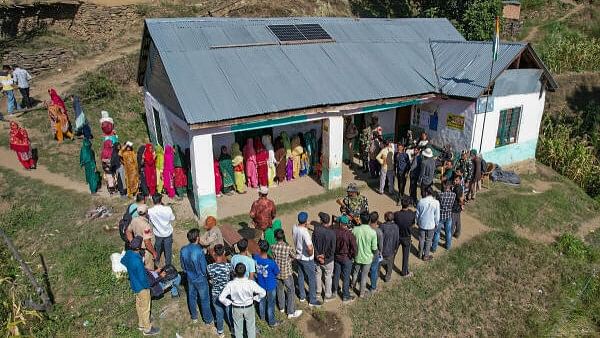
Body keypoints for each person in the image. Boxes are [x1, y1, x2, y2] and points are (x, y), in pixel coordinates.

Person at [121, 236, 160, 336]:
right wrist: (152, 282)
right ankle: (147, 329)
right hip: (142, 287)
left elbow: (123, 261)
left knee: (139, 305)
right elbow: (143, 279)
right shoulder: (138, 262)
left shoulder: (129, 253)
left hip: (134, 285)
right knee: (146, 307)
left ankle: (141, 324)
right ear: (138, 248)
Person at [219, 263, 266, 338]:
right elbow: (263, 293)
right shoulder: (251, 283)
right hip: (249, 307)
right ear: (245, 271)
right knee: (251, 328)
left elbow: (221, 298)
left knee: (238, 329)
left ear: (235, 272)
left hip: (236, 308)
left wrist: (228, 302)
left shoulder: (230, 284)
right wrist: (256, 298)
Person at [180, 229, 214, 325]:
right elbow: (204, 267)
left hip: (190, 277)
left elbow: (182, 266)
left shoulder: (183, 249)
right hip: (200, 278)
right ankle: (207, 320)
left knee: (191, 296)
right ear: (197, 238)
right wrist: (205, 275)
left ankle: (194, 316)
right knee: (204, 299)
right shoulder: (199, 251)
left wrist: (188, 272)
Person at [271, 229, 302, 318]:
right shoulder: (288, 247)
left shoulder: (272, 246)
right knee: (291, 290)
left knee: (280, 290)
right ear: (283, 236)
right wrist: (289, 260)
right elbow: (294, 256)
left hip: (277, 273)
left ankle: (281, 308)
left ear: (275, 237)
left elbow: (274, 258)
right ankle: (291, 312)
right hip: (286, 273)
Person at [293, 212, 321, 307]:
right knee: (311, 278)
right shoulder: (305, 232)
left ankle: (302, 296)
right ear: (306, 220)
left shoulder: (294, 227)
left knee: (301, 275)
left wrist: (306, 225)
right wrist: (311, 253)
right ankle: (312, 300)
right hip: (306, 258)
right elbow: (309, 247)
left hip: (298, 256)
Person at [253, 240, 281, 327]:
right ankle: (271, 322)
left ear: (259, 249)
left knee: (262, 301)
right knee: (271, 304)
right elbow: (277, 272)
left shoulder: (255, 258)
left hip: (260, 284)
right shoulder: (271, 263)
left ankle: (262, 317)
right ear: (268, 249)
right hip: (271, 285)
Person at [207, 244, 233, 337]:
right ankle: (232, 329)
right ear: (224, 253)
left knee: (218, 312)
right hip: (226, 293)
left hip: (215, 293)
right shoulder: (228, 266)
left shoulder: (209, 267)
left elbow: (210, 278)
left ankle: (220, 331)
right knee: (229, 311)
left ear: (214, 253)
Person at [351, 213, 378, 297]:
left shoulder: (355, 230)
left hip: (357, 256)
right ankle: (362, 294)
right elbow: (374, 248)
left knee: (355, 272)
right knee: (364, 276)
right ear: (369, 220)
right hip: (367, 258)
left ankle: (352, 287)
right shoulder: (373, 232)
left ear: (360, 220)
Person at [333, 215, 357, 303]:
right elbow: (354, 248)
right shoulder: (350, 235)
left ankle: (334, 291)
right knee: (346, 277)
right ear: (347, 224)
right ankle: (345, 296)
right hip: (346, 257)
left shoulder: (335, 232)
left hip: (337, 256)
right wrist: (352, 256)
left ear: (340, 223)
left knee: (336, 274)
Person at [313, 212, 336, 302]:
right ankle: (327, 295)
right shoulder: (332, 233)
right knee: (328, 276)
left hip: (317, 259)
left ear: (321, 221)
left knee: (317, 275)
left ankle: (318, 292)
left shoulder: (316, 230)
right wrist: (325, 257)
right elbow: (332, 249)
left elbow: (313, 244)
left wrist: (318, 256)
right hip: (328, 260)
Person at [127, 204, 158, 270]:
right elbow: (147, 242)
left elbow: (128, 231)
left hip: (137, 249)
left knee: (141, 267)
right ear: (146, 212)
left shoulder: (134, 220)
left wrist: (132, 242)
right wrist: (154, 252)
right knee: (149, 269)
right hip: (146, 251)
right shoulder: (146, 225)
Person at [148, 194, 175, 266]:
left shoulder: (150, 211)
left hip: (158, 233)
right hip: (167, 232)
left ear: (153, 201)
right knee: (168, 249)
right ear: (161, 200)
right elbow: (172, 218)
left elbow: (150, 221)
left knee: (157, 246)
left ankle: (157, 260)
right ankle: (168, 265)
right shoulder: (168, 209)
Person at [416, 187, 440, 261]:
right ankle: (426, 255)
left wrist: (417, 221)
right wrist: (436, 223)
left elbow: (417, 214)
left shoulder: (421, 201)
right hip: (431, 224)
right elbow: (437, 215)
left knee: (421, 239)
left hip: (422, 224)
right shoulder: (436, 202)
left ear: (426, 193)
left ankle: (420, 254)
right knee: (429, 240)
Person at [394, 197, 415, 277]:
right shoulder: (412, 214)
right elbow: (413, 224)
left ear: (401, 204)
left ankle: (388, 264)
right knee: (405, 256)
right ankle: (404, 272)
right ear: (409, 204)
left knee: (394, 252)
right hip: (407, 237)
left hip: (398, 236)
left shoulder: (396, 214)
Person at [433, 182, 456, 251]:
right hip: (448, 215)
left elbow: (436, 203)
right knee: (448, 232)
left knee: (437, 233)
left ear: (444, 185)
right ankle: (448, 246)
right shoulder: (453, 195)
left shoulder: (440, 195)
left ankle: (434, 248)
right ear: (450, 186)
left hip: (440, 216)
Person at [379, 211, 400, 282]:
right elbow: (397, 239)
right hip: (391, 249)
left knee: (379, 262)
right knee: (390, 264)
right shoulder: (396, 227)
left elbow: (379, 238)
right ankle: (388, 277)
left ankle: (377, 273)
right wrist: (396, 248)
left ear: (385, 218)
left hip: (382, 250)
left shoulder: (382, 226)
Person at [367, 212, 383, 292]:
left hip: (365, 252)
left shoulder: (365, 229)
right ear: (377, 220)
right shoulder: (379, 231)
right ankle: (373, 287)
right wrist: (380, 252)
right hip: (374, 253)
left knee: (363, 269)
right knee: (374, 270)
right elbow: (380, 245)